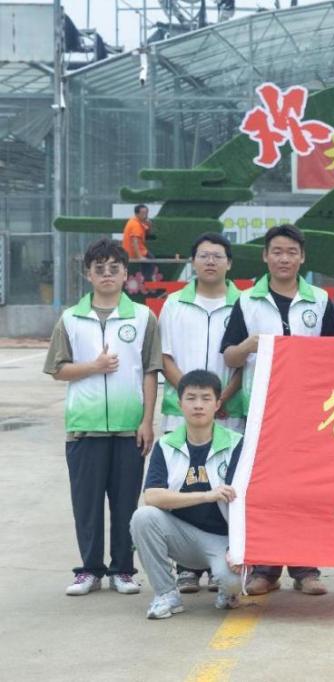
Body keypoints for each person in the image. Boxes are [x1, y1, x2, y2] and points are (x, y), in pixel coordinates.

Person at [221, 223, 334, 597]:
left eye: (291, 252)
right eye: (277, 251)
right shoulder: (246, 301)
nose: (284, 258)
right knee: (263, 491)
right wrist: (249, 346)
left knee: (306, 490)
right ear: (265, 256)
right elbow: (229, 356)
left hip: (308, 414)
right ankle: (266, 568)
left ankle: (306, 568)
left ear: (302, 257)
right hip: (261, 414)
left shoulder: (319, 300)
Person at [43, 238, 161, 596]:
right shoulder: (71, 318)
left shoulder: (143, 317)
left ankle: (123, 570)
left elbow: (150, 371)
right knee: (87, 505)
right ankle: (89, 570)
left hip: (129, 428)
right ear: (88, 275)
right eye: (99, 269)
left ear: (126, 274)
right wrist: (93, 367)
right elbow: (57, 369)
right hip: (85, 428)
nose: (107, 274)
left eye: (114, 268)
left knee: (126, 504)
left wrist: (146, 421)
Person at [159, 232, 244, 594]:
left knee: (226, 488)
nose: (210, 261)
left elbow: (244, 362)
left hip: (227, 414)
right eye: (204, 255)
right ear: (192, 262)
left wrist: (219, 400)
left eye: (218, 256)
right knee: (182, 483)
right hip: (182, 414)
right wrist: (192, 397)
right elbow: (164, 356)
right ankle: (187, 568)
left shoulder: (244, 304)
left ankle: (224, 559)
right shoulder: (174, 304)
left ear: (229, 263)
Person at [130, 370, 244, 619]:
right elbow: (152, 496)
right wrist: (206, 495)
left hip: (222, 539)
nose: (198, 405)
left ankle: (228, 592)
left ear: (218, 404)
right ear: (180, 403)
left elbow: (248, 502)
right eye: (191, 398)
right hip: (181, 537)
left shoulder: (237, 444)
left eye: (206, 398)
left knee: (234, 582)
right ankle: (166, 594)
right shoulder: (166, 445)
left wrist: (242, 548)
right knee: (143, 517)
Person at [122, 204, 155, 280]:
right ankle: (147, 280)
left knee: (148, 260)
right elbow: (134, 242)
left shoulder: (135, 221)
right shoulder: (136, 225)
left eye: (146, 213)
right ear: (137, 214)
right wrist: (139, 257)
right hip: (134, 251)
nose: (145, 215)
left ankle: (146, 278)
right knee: (150, 259)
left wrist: (149, 225)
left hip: (138, 250)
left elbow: (147, 233)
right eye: (143, 213)